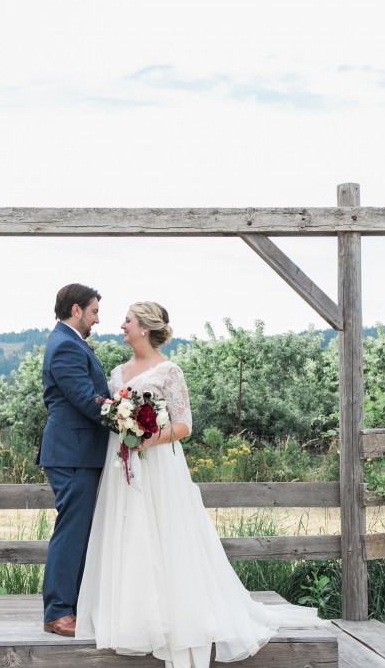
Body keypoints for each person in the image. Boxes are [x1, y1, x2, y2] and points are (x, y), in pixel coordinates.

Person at [75, 302, 320, 668]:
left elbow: (184, 425)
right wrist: (124, 427)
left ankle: (176, 615)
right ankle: (131, 617)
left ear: (144, 327)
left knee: (166, 535)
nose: (121, 324)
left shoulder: (168, 371)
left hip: (158, 466)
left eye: (127, 320)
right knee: (127, 533)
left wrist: (147, 437)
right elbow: (112, 414)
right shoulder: (117, 372)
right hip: (122, 466)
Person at [38, 283, 111, 637]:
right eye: (94, 311)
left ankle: (74, 606)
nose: (98, 319)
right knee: (71, 531)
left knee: (80, 531)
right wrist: (130, 415)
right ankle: (57, 611)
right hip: (72, 454)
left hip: (81, 453)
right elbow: (86, 400)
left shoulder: (70, 342)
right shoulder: (66, 345)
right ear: (76, 309)